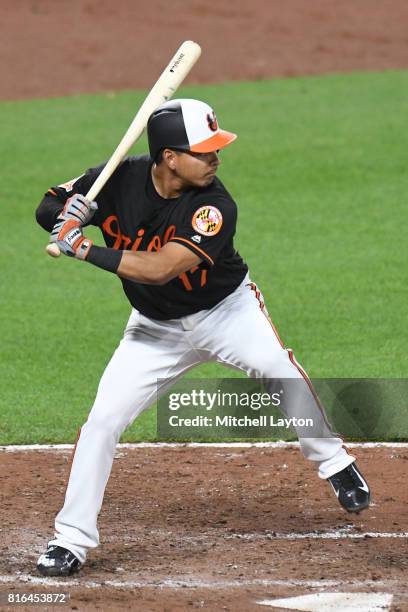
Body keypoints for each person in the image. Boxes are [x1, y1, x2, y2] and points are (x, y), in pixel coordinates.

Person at [35, 98, 370, 577]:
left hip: (226, 313)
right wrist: (67, 212)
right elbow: (46, 206)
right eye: (204, 150)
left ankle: (335, 464)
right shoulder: (113, 179)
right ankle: (70, 540)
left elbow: (160, 268)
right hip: (153, 330)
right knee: (101, 423)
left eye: (216, 149)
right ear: (169, 157)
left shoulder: (214, 205)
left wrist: (84, 245)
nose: (216, 158)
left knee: (279, 370)